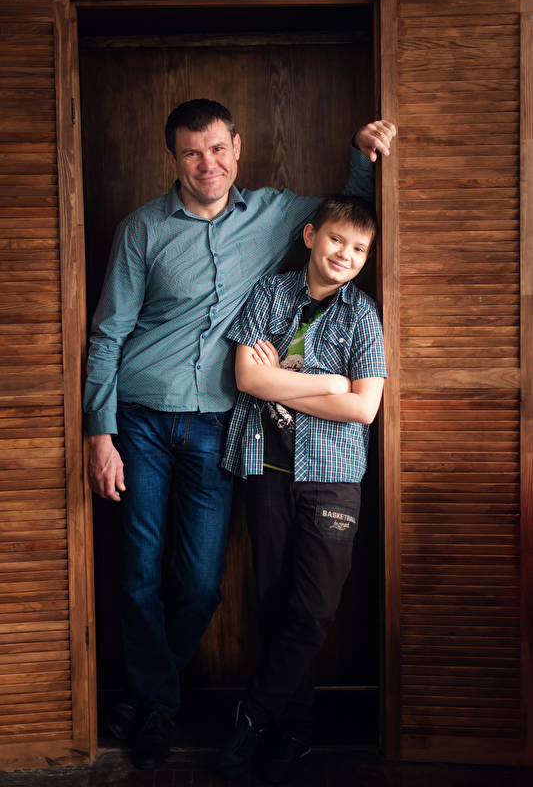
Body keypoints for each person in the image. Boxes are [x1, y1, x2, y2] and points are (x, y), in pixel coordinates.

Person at [84, 98, 395, 770]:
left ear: (238, 148)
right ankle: (156, 705)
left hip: (215, 426)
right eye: (192, 153)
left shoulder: (279, 216)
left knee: (199, 583)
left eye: (218, 149)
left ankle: (151, 693)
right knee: (138, 571)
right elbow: (108, 333)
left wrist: (361, 150)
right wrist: (99, 432)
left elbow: (346, 217)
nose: (208, 164)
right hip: (139, 417)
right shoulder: (141, 229)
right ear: (173, 159)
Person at [217, 195, 386, 782]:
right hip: (267, 470)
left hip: (333, 479)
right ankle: (295, 727)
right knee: (273, 602)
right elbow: (245, 376)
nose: (346, 254)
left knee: (313, 609)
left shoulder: (362, 315)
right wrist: (329, 383)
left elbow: (363, 409)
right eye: (337, 239)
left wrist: (282, 378)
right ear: (312, 236)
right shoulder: (269, 294)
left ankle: (253, 715)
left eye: (359, 248)